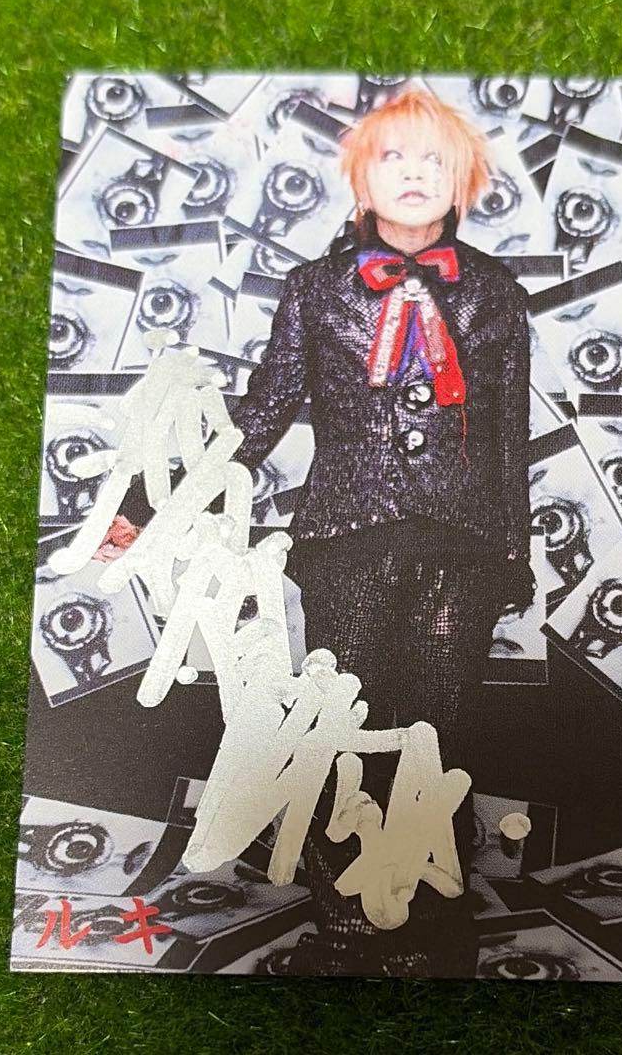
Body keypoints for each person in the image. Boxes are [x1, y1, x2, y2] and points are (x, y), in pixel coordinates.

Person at [228, 86, 535, 976]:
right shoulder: (314, 289)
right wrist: (150, 499)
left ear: (462, 182)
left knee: (439, 733)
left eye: (434, 159)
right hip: (347, 538)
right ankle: (350, 927)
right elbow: (266, 409)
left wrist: (511, 554)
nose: (413, 174)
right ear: (361, 177)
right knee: (346, 729)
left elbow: (508, 436)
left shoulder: (496, 292)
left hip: (461, 545)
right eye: (393, 156)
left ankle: (435, 918)